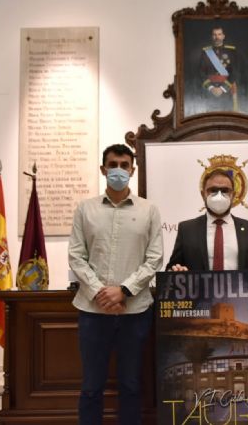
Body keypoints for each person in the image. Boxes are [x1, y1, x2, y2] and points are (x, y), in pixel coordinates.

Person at [69, 144, 163, 425]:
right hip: (93, 311)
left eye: (124, 165)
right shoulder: (85, 209)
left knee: (131, 384)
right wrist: (101, 293)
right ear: (103, 169)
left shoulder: (149, 210)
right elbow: (76, 256)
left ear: (133, 170)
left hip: (135, 311)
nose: (118, 170)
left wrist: (123, 291)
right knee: (91, 386)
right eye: (113, 165)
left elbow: (154, 258)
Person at [166, 168, 248, 271]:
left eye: (225, 190)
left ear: (233, 195)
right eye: (213, 190)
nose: (219, 195)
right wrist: (176, 270)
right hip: (199, 290)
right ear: (203, 194)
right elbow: (172, 268)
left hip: (241, 290)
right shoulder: (187, 229)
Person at [198, 26, 241, 112]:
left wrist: (223, 88)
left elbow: (235, 72)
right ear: (212, 36)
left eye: (219, 34)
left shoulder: (231, 51)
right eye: (214, 35)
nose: (217, 37)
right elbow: (201, 72)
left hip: (227, 89)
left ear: (223, 36)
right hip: (209, 90)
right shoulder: (205, 52)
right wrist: (211, 87)